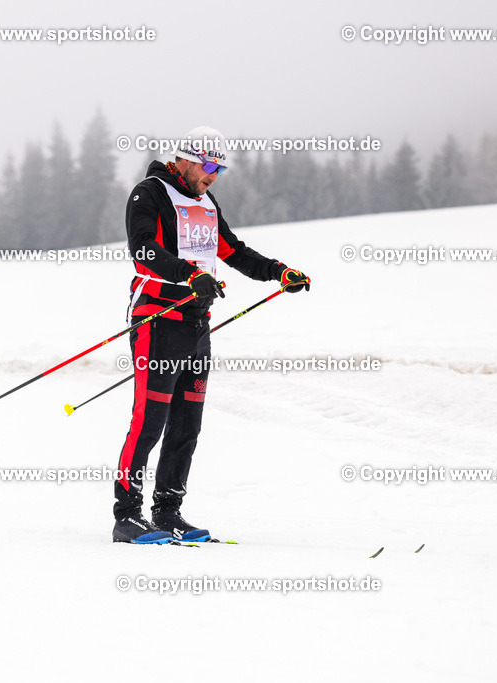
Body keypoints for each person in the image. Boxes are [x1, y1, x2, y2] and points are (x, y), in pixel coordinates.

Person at [112, 126, 310, 544]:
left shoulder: (205, 201)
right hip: (157, 317)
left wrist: (278, 271)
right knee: (149, 420)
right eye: (208, 166)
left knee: (187, 424)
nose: (214, 175)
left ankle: (167, 512)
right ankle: (127, 516)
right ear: (184, 159)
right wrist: (189, 274)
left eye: (220, 169)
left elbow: (232, 250)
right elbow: (143, 250)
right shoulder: (149, 194)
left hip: (196, 323)